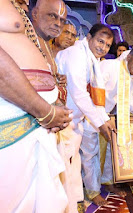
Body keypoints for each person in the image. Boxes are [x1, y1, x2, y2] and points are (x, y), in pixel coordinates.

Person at [0, 0, 72, 212]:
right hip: (18, 118)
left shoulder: (19, 7)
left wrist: (53, 101)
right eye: (52, 17)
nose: (58, 24)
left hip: (37, 120)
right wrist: (46, 112)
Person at [56, 24, 115, 207]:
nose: (103, 47)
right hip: (63, 119)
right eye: (100, 41)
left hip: (77, 118)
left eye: (107, 45)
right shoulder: (76, 54)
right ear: (88, 38)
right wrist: (101, 123)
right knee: (62, 166)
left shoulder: (92, 59)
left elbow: (94, 96)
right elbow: (79, 92)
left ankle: (72, 201)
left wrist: (104, 119)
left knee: (73, 164)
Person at [99, 47, 133, 185]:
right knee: (90, 154)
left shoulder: (130, 76)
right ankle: (90, 190)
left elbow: (128, 101)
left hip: (108, 116)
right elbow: (94, 91)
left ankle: (105, 183)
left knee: (110, 150)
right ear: (128, 57)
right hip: (92, 114)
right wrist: (102, 116)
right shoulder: (110, 66)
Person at [31, 0, 68, 104]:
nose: (58, 24)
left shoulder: (46, 41)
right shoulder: (25, 38)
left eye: (62, 20)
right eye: (52, 16)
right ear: (35, 14)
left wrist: (57, 80)